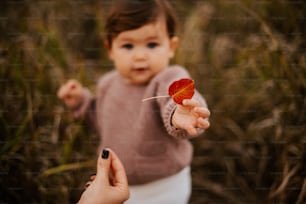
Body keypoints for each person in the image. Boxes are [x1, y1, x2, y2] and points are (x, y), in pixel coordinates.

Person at [58, 0, 210, 203]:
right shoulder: (108, 84)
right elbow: (101, 119)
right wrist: (80, 103)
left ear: (171, 46)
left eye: (152, 44)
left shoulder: (166, 78)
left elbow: (175, 102)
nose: (140, 56)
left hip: (164, 186)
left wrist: (181, 114)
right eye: (128, 45)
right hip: (118, 184)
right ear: (110, 49)